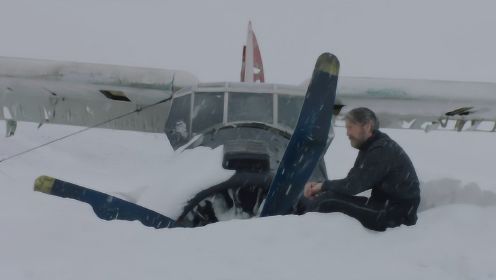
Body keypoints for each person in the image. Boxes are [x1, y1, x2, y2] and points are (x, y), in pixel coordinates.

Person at [297, 107, 420, 231]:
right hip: (382, 207)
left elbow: (353, 186)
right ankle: (298, 214)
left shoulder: (381, 149)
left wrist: (321, 186)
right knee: (328, 196)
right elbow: (351, 181)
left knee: (326, 201)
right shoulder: (370, 146)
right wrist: (321, 188)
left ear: (367, 126)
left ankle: (298, 228)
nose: (347, 134)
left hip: (396, 215)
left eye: (350, 127)